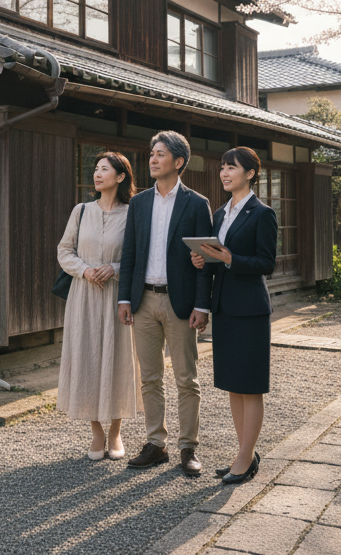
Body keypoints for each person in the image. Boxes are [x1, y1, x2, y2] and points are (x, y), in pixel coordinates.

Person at [117, 130, 214, 477]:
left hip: (181, 303)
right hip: (143, 300)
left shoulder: (196, 203)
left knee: (187, 379)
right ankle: (156, 443)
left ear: (179, 162)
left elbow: (205, 258)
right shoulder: (140, 202)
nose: (153, 159)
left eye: (160, 154)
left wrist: (202, 305)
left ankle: (189, 447)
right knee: (150, 378)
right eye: (152, 153)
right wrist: (125, 297)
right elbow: (129, 252)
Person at [190, 146, 277, 485]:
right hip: (225, 308)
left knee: (250, 386)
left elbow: (266, 263)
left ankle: (244, 458)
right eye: (223, 167)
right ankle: (245, 452)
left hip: (251, 309)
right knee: (233, 386)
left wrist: (229, 258)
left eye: (232, 168)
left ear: (250, 174)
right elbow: (217, 259)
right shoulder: (219, 213)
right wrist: (204, 259)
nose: (225, 173)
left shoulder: (262, 213)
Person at [56, 152, 140, 461]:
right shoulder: (81, 211)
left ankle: (116, 431)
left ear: (120, 177)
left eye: (104, 169)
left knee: (119, 360)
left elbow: (137, 257)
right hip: (84, 296)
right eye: (95, 169)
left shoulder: (132, 214)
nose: (97, 173)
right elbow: (64, 251)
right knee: (87, 359)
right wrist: (85, 269)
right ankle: (96, 432)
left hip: (118, 298)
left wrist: (114, 268)